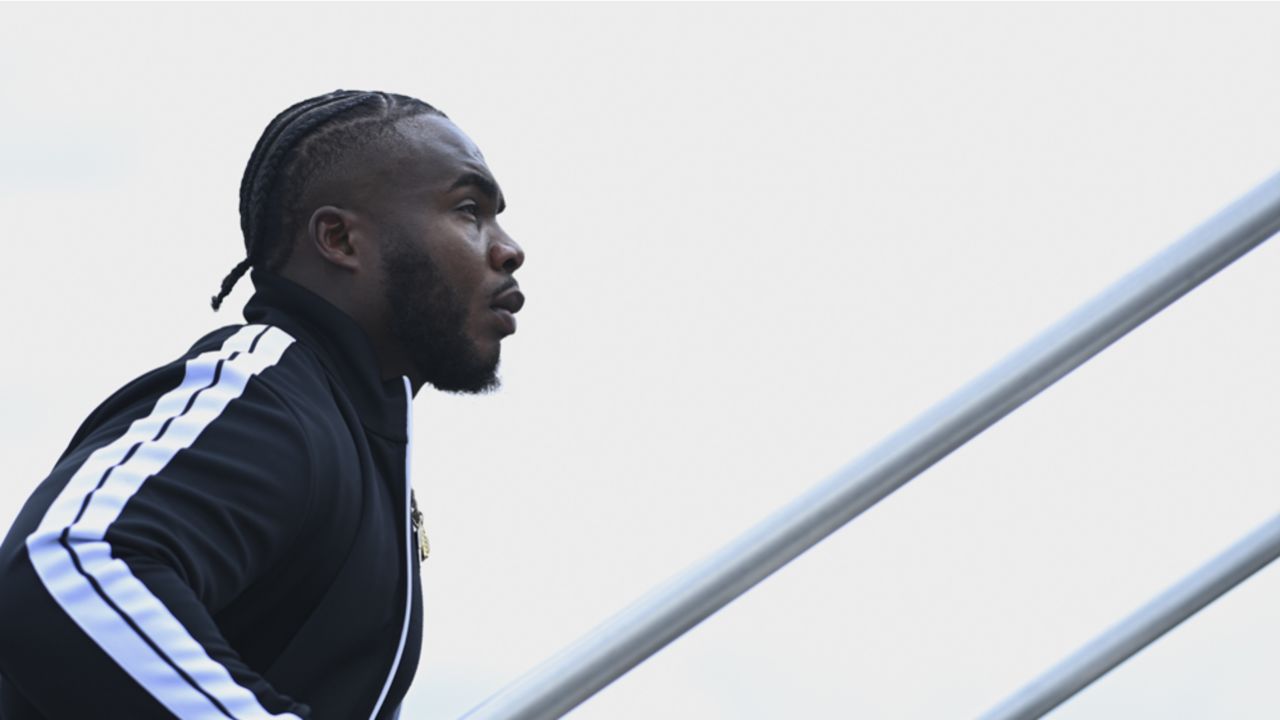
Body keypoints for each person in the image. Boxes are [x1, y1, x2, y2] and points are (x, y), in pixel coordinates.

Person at [0, 89, 525, 719]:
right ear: (339, 238)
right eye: (469, 211)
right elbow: (63, 561)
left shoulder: (356, 427)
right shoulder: (266, 395)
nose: (508, 248)